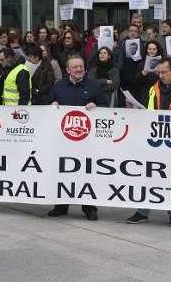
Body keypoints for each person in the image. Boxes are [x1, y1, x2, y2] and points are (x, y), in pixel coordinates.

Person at [126, 58, 171, 227]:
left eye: (164, 72)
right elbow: (147, 111)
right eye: (158, 72)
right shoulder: (153, 89)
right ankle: (142, 211)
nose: (161, 75)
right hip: (155, 139)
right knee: (150, 176)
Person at [47, 55, 108, 220]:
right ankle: (61, 206)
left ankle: (89, 207)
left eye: (81, 66)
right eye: (75, 67)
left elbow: (106, 106)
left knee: (86, 173)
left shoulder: (94, 85)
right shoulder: (58, 86)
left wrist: (97, 106)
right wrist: (52, 104)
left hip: (87, 139)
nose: (79, 69)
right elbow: (47, 102)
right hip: (63, 138)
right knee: (62, 171)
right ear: (67, 70)